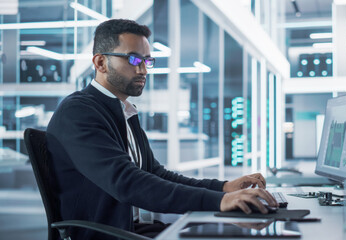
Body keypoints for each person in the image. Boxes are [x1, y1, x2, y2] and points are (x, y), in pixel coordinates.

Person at [46, 19, 277, 239]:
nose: (143, 70)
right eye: (134, 60)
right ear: (100, 63)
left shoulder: (124, 112)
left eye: (147, 61)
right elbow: (127, 182)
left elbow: (155, 174)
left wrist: (224, 188)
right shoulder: (78, 112)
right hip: (108, 234)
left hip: (133, 229)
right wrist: (219, 201)